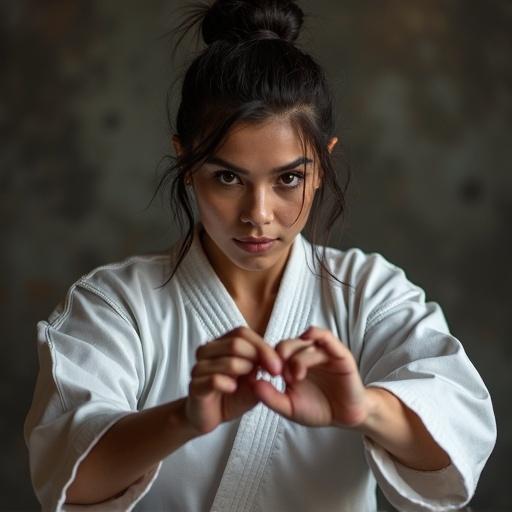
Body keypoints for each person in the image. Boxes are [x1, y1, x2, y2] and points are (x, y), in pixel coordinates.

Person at [24, 1, 496, 511]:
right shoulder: (116, 305)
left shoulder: (370, 294)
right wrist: (184, 418)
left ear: (321, 166)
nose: (259, 214)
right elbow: (68, 481)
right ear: (185, 162)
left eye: (289, 178)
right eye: (228, 177)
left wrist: (364, 409)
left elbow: (455, 440)